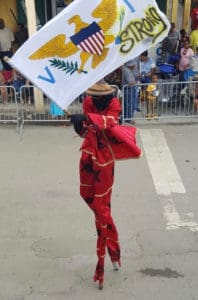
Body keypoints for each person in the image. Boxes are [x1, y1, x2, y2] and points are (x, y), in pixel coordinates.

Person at [70, 80, 141, 290]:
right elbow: (87, 131)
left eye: (100, 98)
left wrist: (88, 118)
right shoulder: (89, 101)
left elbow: (109, 122)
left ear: (107, 96)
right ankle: (110, 234)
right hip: (88, 154)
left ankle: (106, 258)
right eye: (94, 97)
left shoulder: (114, 104)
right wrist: (79, 125)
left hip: (105, 159)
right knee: (86, 195)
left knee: (101, 209)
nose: (96, 100)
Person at [121, 60, 140, 124]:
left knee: (130, 104)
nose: (134, 66)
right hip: (128, 90)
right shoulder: (126, 71)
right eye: (133, 64)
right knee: (129, 104)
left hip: (131, 90)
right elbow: (129, 82)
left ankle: (128, 117)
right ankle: (128, 118)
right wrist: (136, 82)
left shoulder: (129, 70)